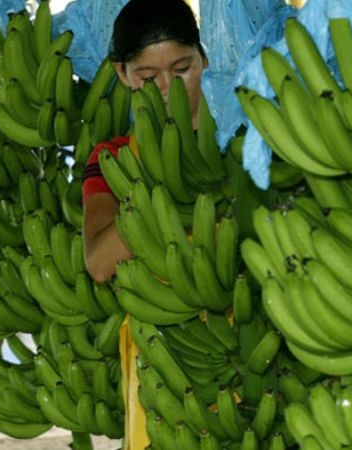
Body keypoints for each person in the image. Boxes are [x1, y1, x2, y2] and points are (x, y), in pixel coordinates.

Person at [80, 0, 208, 448]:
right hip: (160, 363)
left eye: (183, 68)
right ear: (122, 75)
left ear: (204, 59)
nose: (168, 88)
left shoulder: (240, 145)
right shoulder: (115, 160)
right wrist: (161, 186)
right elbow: (99, 262)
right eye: (149, 78)